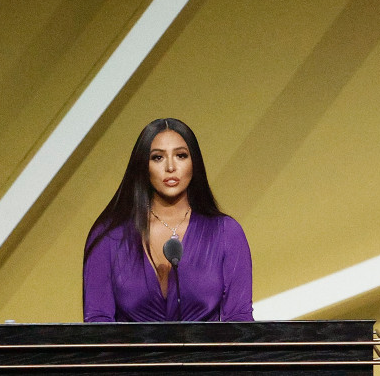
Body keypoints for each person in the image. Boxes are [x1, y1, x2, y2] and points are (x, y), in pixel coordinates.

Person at [83, 118, 253, 322]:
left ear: (194, 163)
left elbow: (239, 321)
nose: (170, 167)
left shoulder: (226, 233)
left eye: (181, 155)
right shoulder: (109, 237)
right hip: (133, 355)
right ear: (142, 165)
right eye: (157, 158)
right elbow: (97, 323)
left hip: (205, 354)